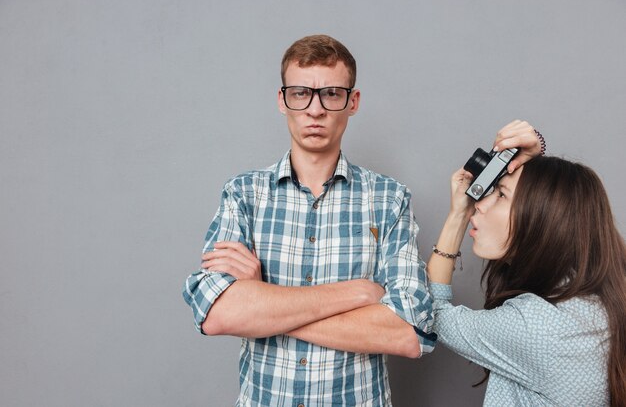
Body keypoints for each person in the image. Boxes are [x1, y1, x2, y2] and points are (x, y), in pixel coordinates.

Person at [183, 34, 435, 406]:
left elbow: (411, 333)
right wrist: (359, 293)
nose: (314, 110)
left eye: (331, 94)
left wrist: (263, 303)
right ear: (282, 100)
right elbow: (216, 313)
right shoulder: (244, 194)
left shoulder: (389, 199)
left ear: (353, 102)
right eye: (300, 93)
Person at [427, 152, 626, 405]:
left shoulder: (536, 324)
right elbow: (560, 191)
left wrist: (457, 215)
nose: (480, 202)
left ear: (544, 215)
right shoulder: (589, 297)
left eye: (500, 195)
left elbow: (428, 311)